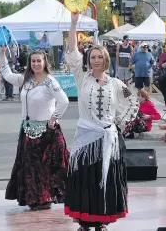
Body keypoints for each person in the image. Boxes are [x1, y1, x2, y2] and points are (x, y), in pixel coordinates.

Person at [64, 12, 139, 231]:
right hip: (86, 138)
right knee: (85, 180)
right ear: (89, 60)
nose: (96, 60)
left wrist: (118, 124)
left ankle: (102, 222)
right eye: (93, 57)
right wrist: (74, 23)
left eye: (100, 57)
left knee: (104, 180)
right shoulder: (82, 77)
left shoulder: (115, 84)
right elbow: (72, 52)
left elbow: (132, 102)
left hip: (107, 139)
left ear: (106, 60)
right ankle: (85, 222)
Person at [0, 47, 70, 210]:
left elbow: (64, 101)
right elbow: (7, 75)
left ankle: (44, 199)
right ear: (29, 63)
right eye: (33, 61)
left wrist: (54, 118)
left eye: (39, 61)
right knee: (30, 167)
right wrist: (2, 54)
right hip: (27, 130)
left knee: (43, 168)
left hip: (46, 132)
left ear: (45, 62)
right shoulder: (27, 80)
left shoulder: (50, 81)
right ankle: (34, 198)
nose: (36, 64)